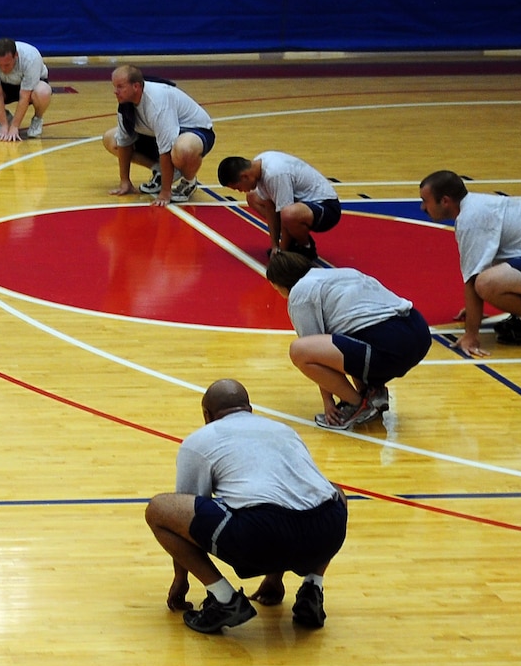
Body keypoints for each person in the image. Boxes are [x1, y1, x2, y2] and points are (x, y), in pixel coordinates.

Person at [144, 379, 348, 634]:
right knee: (333, 492)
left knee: (159, 509)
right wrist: (275, 577)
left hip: (263, 535)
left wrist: (181, 579)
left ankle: (223, 599)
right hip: (327, 532)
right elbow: (291, 496)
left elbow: (186, 514)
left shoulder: (200, 441)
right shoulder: (284, 430)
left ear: (206, 415)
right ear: (249, 409)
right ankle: (312, 589)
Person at [418, 170, 521, 356]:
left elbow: (473, 280)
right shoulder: (474, 206)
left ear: (445, 201)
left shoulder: (472, 218)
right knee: (486, 277)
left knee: (485, 284)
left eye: (425, 201)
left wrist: (471, 335)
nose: (422, 208)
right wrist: (474, 308)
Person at [266, 251, 431, 431]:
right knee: (348, 336)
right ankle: (375, 392)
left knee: (299, 351)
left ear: (279, 283)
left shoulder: (301, 292)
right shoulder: (341, 273)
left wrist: (328, 402)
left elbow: (312, 346)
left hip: (390, 344)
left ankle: (357, 404)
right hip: (419, 331)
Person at [102, 66, 214, 206]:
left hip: (195, 131)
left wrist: (165, 193)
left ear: (136, 86)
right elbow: (124, 142)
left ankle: (189, 181)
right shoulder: (125, 102)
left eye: (120, 86)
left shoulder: (157, 102)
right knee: (111, 138)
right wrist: (125, 181)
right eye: (114, 86)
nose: (115, 91)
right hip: (155, 133)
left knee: (184, 149)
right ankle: (161, 171)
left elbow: (166, 150)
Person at [217, 151, 341, 259]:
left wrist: (282, 252)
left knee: (288, 214)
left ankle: (306, 247)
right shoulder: (258, 166)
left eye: (238, 188)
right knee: (253, 197)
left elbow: (283, 213)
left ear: (245, 176)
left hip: (327, 208)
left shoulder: (274, 174)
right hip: (303, 205)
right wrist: (275, 246)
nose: (241, 191)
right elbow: (271, 208)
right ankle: (292, 240)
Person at [0, 38, 52, 141]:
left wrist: (15, 127)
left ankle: (37, 118)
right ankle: (5, 117)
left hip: (31, 88)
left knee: (43, 92)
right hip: (5, 85)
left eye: (7, 65)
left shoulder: (31, 58)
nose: (3, 69)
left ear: (16, 55)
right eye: (0, 65)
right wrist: (4, 126)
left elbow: (24, 96)